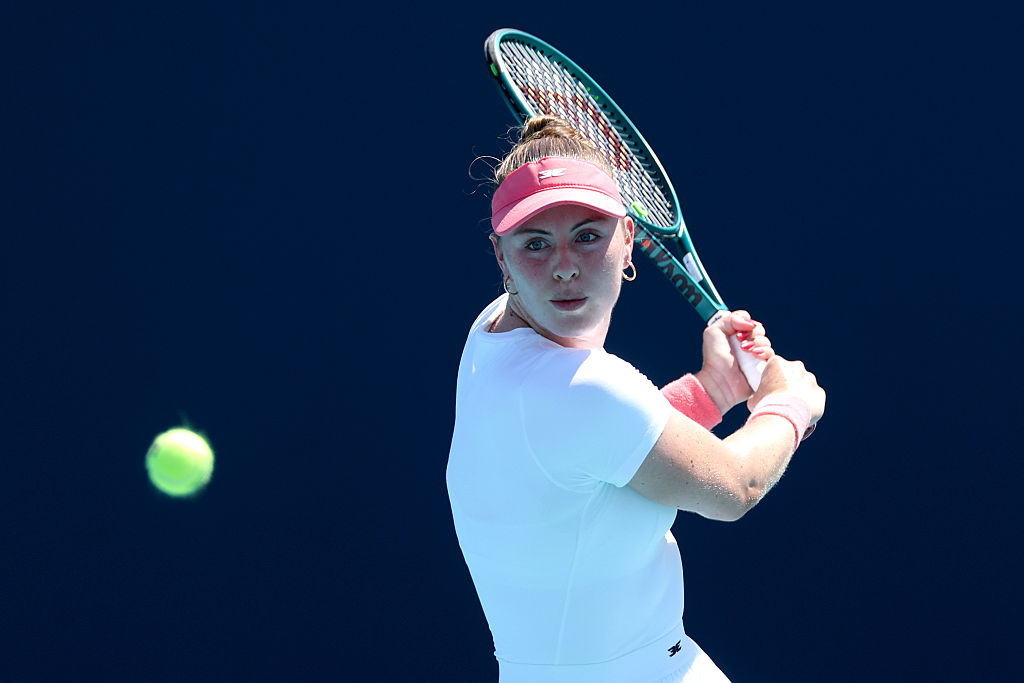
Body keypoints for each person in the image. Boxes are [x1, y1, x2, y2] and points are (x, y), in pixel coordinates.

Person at [446, 115, 826, 683]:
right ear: (501, 257)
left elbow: (594, 460)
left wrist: (712, 391)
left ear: (628, 239)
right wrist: (788, 404)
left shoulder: (490, 333)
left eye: (587, 235)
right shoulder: (585, 387)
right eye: (536, 244)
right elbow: (736, 486)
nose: (565, 265)